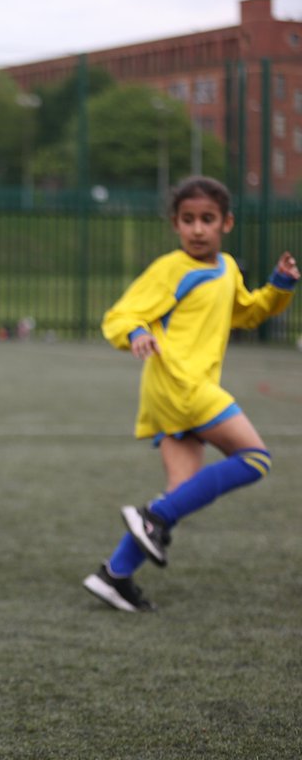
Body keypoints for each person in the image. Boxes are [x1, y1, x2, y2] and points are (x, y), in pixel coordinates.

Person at [83, 175, 298, 613]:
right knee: (256, 459)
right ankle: (149, 518)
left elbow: (246, 313)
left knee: (179, 494)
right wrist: (137, 332)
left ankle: (115, 575)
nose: (197, 229)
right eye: (187, 220)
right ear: (175, 224)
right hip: (181, 385)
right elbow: (120, 315)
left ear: (227, 223)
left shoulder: (227, 268)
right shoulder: (170, 269)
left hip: (188, 389)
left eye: (207, 219)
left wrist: (279, 287)